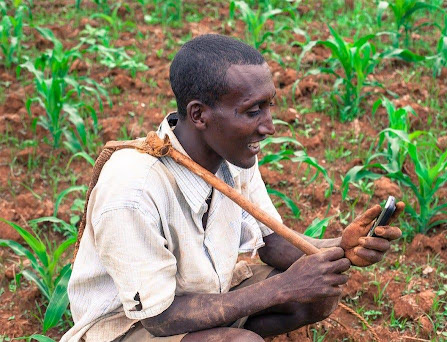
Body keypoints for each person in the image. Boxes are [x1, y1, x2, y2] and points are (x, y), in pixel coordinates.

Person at [61, 34, 403, 342]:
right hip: (126, 327)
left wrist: (341, 247)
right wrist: (281, 288)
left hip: (197, 298)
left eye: (269, 105)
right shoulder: (132, 191)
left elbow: (273, 242)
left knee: (318, 290)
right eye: (253, 111)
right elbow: (159, 318)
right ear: (199, 115)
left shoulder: (230, 154)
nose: (269, 126)